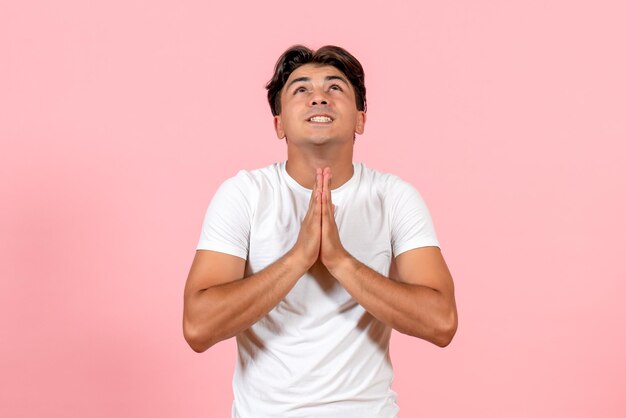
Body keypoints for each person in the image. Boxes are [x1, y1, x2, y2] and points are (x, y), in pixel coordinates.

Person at [183, 44, 458, 418]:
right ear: (279, 124)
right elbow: (198, 326)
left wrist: (341, 262)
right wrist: (298, 258)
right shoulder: (244, 194)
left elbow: (441, 323)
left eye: (335, 88)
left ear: (360, 119)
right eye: (301, 90)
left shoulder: (394, 197)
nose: (318, 99)